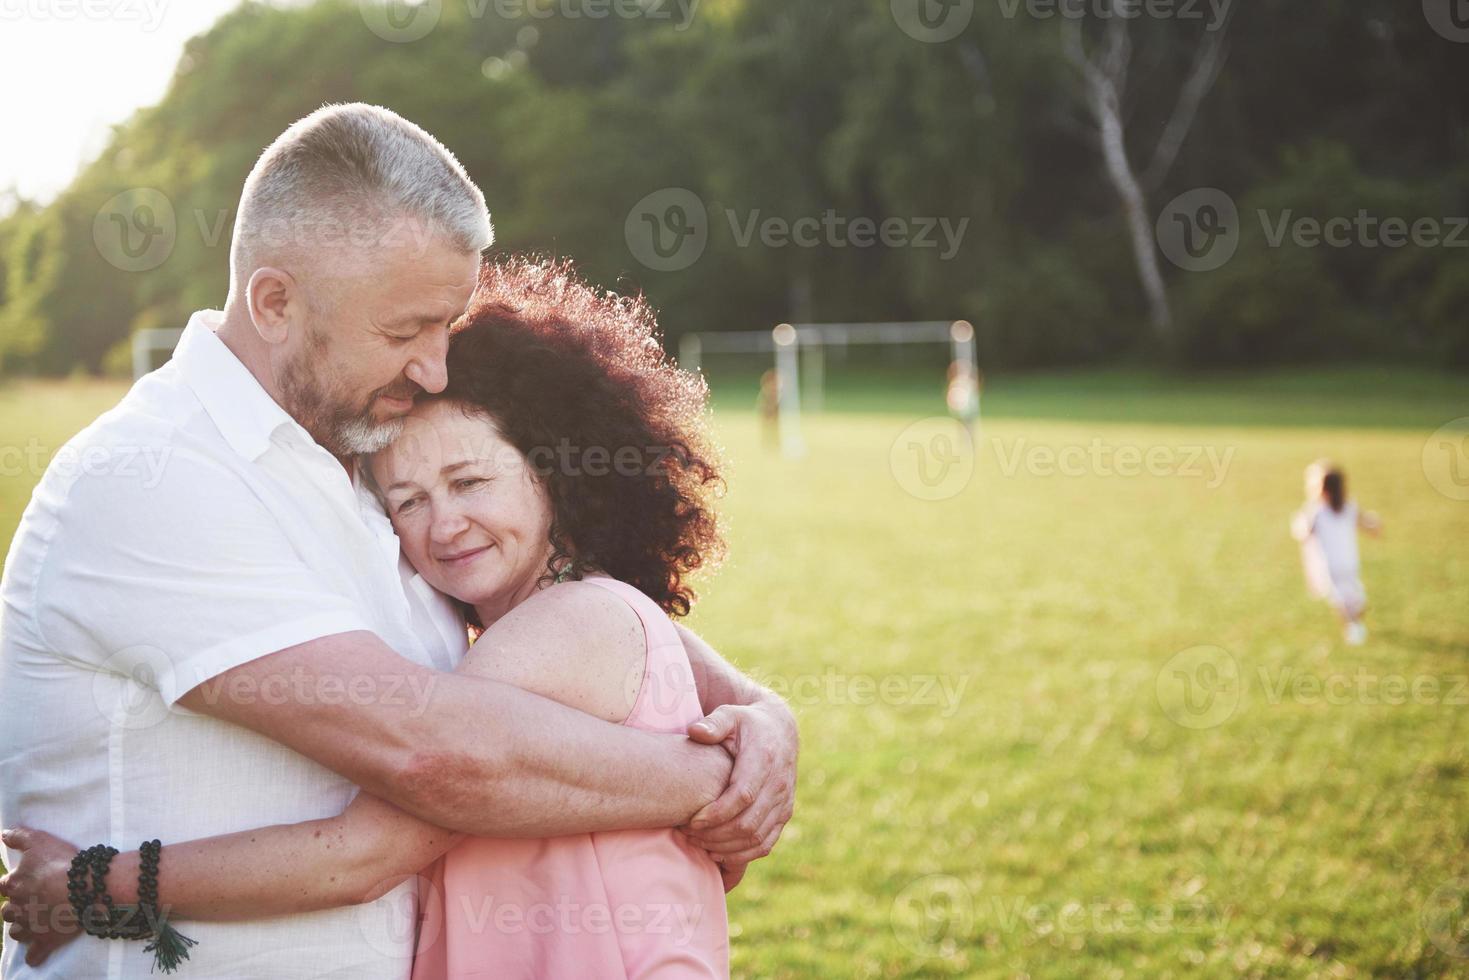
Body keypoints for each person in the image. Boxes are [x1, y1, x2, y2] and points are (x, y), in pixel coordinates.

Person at [0, 105, 797, 978]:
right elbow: (436, 756)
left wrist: (762, 714)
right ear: (274, 302)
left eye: (444, 327)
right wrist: (711, 782)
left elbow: (570, 616)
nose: (435, 370)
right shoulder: (150, 478)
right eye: (402, 332)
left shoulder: (365, 452)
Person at [1290, 459, 1382, 645]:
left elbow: (1302, 532)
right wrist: (1374, 525)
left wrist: (1302, 518)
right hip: (1349, 562)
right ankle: (1354, 622)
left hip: (1330, 564)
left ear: (1321, 489)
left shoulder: (1317, 511)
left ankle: (1352, 625)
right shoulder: (1348, 508)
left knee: (1341, 598)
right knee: (1351, 595)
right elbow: (1367, 524)